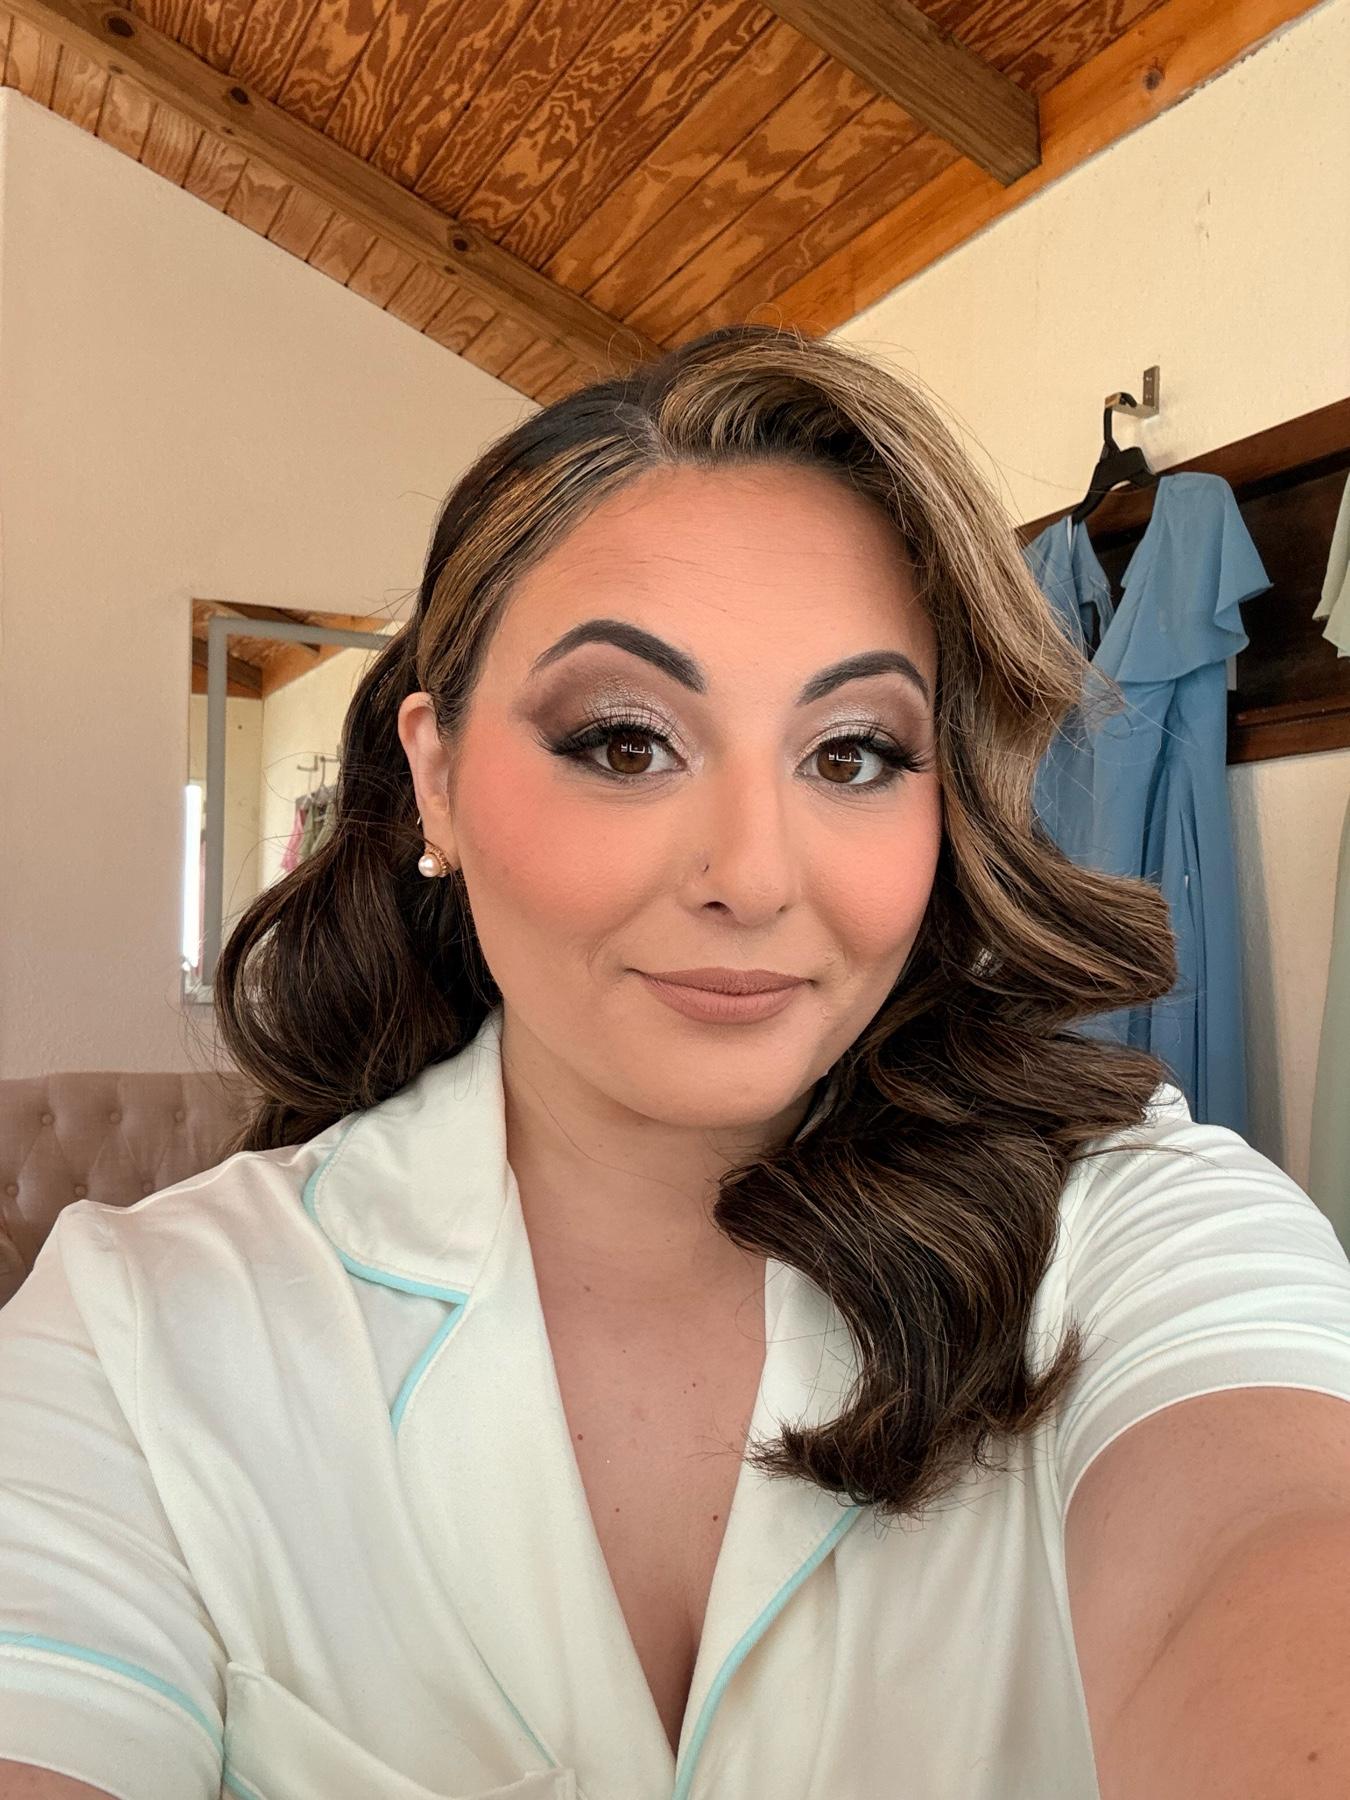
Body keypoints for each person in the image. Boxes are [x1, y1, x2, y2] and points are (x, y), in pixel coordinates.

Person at [2, 324, 1349, 1800]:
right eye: (626, 742)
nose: (754, 876)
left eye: (852, 754)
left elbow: (1269, 1535)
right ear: (437, 776)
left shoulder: (1139, 1232)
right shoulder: (135, 1334)